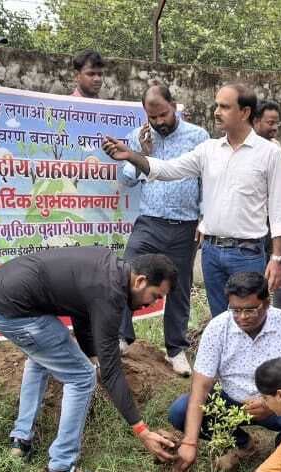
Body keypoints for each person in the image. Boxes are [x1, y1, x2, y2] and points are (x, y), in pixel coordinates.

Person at [0, 248, 180, 472]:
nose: (152, 304)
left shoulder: (107, 270)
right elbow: (112, 370)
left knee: (43, 356)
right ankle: (61, 471)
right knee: (82, 377)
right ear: (140, 281)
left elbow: (81, 314)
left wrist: (93, 355)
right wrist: (142, 430)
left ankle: (21, 440)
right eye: (155, 295)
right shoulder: (111, 294)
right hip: (12, 311)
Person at [102, 83, 281, 318]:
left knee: (249, 319)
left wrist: (277, 258)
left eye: (224, 107)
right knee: (220, 322)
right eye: (216, 105)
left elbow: (279, 210)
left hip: (247, 254)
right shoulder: (209, 149)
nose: (216, 112)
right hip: (211, 253)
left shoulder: (269, 153)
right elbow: (169, 169)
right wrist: (131, 155)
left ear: (245, 112)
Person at [170, 272, 281, 472]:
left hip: (280, 405)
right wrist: (190, 443)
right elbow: (201, 387)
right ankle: (244, 445)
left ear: (266, 303)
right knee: (180, 411)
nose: (242, 317)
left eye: (250, 310)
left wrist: (272, 405)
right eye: (235, 310)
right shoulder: (218, 328)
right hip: (233, 403)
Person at [117, 84, 209, 377]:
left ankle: (175, 350)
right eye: (152, 116)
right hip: (150, 221)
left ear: (174, 105)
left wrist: (204, 219)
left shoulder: (198, 136)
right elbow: (128, 180)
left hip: (185, 225)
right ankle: (121, 336)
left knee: (180, 287)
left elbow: (207, 181)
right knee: (124, 272)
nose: (158, 122)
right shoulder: (139, 136)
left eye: (163, 115)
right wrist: (141, 154)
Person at [254, 99, 281, 312]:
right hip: (252, 221)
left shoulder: (275, 147)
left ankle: (279, 315)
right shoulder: (245, 149)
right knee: (255, 271)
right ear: (255, 121)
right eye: (270, 123)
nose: (275, 127)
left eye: (277, 123)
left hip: (275, 222)